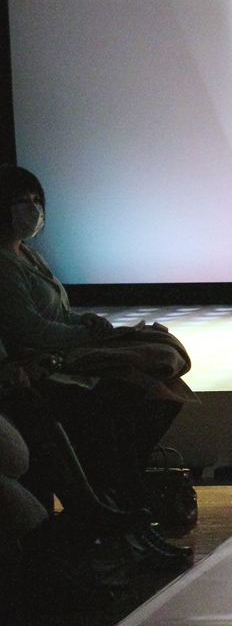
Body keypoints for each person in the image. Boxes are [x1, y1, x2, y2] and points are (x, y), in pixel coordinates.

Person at [0, 166, 194, 554]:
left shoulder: (29, 256)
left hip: (64, 356)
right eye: (21, 201)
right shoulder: (5, 265)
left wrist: (85, 322)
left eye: (37, 201)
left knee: (158, 387)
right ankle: (119, 505)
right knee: (128, 396)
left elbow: (57, 315)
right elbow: (30, 331)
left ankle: (120, 500)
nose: (33, 209)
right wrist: (88, 335)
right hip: (44, 365)